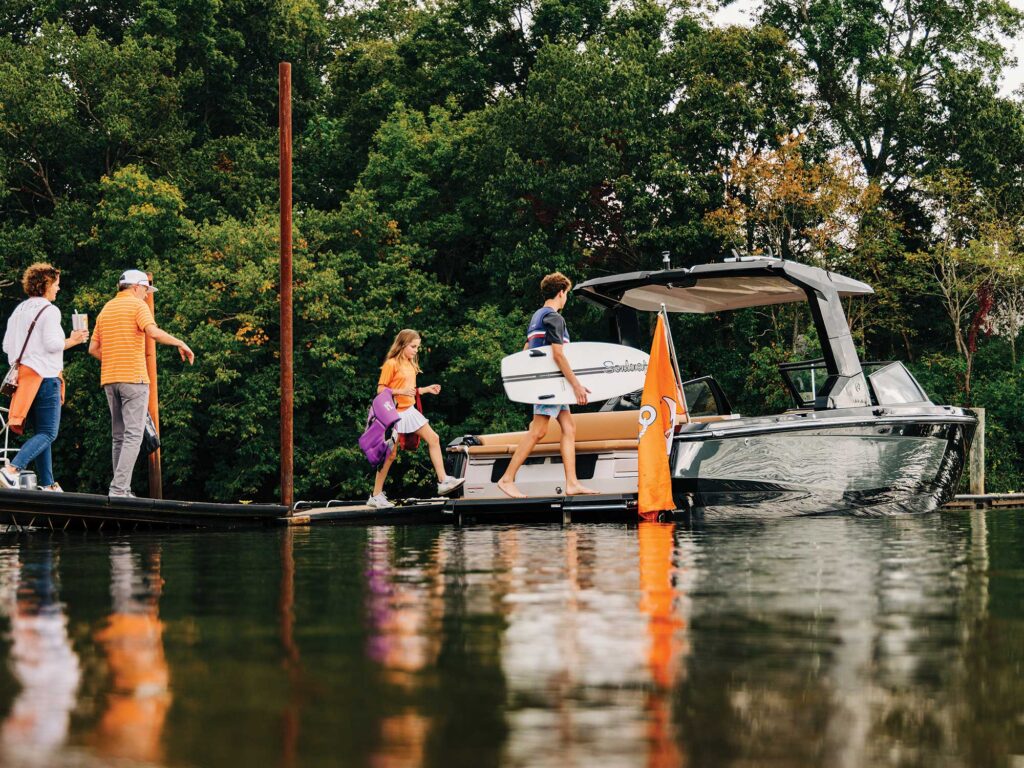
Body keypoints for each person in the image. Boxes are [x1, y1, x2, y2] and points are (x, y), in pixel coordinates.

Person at [88, 270, 194, 497]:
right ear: (136, 287)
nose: (146, 295)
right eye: (146, 290)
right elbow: (153, 332)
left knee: (118, 436)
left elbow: (93, 349)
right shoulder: (137, 306)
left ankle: (118, 488)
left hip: (110, 379)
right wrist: (180, 342)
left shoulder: (106, 309)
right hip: (134, 378)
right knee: (134, 436)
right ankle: (118, 490)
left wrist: (116, 358)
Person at [497, 272, 598, 499]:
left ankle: (572, 483)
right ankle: (507, 478)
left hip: (550, 384)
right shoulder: (554, 317)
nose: (566, 299)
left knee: (569, 427)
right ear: (561, 292)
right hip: (550, 386)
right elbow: (558, 355)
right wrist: (577, 386)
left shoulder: (537, 317)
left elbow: (526, 350)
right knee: (538, 431)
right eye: (566, 295)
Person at [0, 264, 89, 491]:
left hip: (25, 381)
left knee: (41, 434)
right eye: (56, 284)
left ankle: (48, 484)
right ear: (46, 284)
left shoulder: (18, 311)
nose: (58, 289)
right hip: (46, 377)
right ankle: (12, 470)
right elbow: (53, 344)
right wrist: (74, 340)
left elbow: (7, 346)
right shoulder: (50, 310)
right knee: (49, 433)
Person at [368, 329, 465, 508]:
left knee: (434, 438)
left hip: (410, 411)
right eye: (413, 347)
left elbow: (411, 390)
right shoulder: (392, 364)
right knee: (390, 455)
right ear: (403, 345)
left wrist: (425, 389)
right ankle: (375, 495)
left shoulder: (411, 363)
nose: (416, 350)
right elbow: (380, 390)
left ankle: (443, 481)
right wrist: (400, 392)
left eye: (417, 347)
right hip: (394, 414)